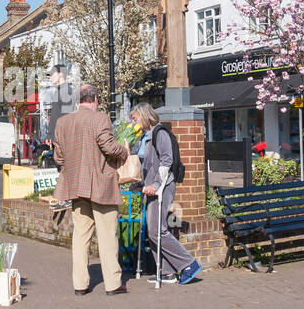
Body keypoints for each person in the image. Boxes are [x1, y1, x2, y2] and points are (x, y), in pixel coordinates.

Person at [53, 84, 129, 296]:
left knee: (80, 236)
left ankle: (80, 284)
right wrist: (124, 151)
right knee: (107, 236)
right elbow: (108, 146)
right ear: (95, 99)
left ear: (80, 99)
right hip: (100, 186)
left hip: (75, 186)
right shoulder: (100, 118)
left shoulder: (63, 122)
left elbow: (58, 157)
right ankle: (113, 284)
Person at [130, 103, 202, 284]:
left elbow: (166, 160)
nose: (133, 122)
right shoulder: (145, 136)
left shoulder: (159, 133)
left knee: (157, 230)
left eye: (135, 118)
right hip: (151, 188)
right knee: (153, 230)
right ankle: (166, 271)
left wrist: (155, 184)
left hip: (163, 187)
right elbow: (149, 164)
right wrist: (141, 183)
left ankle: (188, 263)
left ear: (145, 116)